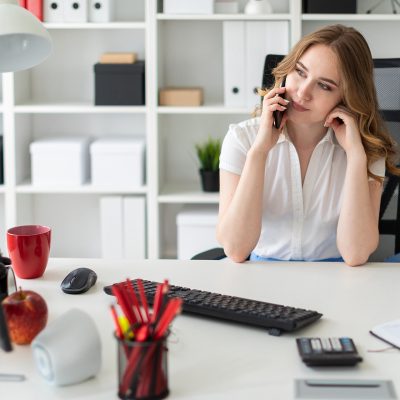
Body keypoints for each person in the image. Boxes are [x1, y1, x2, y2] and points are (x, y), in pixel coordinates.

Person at [217, 24, 400, 266]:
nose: (302, 93)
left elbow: (355, 254)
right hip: (262, 277)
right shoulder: (243, 138)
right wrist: (260, 151)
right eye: (300, 72)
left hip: (335, 280)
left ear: (346, 97)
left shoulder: (365, 149)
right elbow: (236, 249)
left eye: (324, 86)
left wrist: (356, 157)